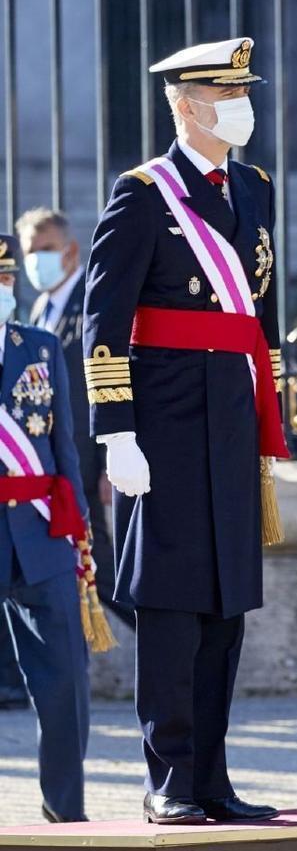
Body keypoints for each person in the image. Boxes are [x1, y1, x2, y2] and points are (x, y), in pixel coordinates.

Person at [83, 37, 288, 826]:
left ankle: (211, 775)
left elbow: (257, 315)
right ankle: (167, 776)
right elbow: (101, 322)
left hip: (231, 424)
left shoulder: (255, 187)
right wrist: (116, 432)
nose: (243, 105)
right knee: (171, 609)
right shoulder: (142, 193)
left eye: (244, 92)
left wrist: (270, 414)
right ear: (185, 104)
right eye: (226, 94)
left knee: (224, 610)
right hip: (163, 429)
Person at [0, 233, 91, 822]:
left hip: (41, 534)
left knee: (66, 686)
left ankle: (67, 814)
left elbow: (63, 449)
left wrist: (78, 529)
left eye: (6, 279)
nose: (3, 289)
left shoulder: (37, 347)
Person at [16, 208, 135, 633]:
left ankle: (164, 643)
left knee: (99, 564)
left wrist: (110, 456)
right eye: (30, 252)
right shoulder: (41, 309)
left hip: (88, 458)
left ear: (70, 251)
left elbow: (113, 376)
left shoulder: (92, 300)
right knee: (85, 565)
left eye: (45, 250)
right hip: (55, 466)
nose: (36, 262)